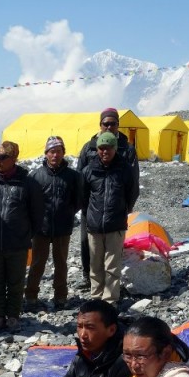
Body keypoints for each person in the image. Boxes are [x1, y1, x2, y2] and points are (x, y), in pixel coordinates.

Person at [0, 141, 45, 331]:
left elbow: (37, 214)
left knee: (16, 282)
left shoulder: (28, 184)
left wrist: (25, 234)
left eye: (2, 157)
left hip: (18, 244)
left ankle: (14, 316)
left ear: (13, 158)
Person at [77, 108, 140, 291]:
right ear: (100, 125)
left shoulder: (127, 149)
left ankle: (110, 289)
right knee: (86, 244)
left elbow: (133, 184)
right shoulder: (89, 147)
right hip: (92, 207)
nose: (109, 126)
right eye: (106, 123)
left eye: (113, 123)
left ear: (118, 125)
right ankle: (88, 277)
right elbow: (81, 178)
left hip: (115, 207)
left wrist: (126, 208)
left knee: (112, 250)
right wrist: (85, 206)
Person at [28, 136, 79, 310]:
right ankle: (31, 297)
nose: (55, 155)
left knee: (61, 264)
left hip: (63, 228)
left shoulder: (73, 176)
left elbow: (78, 200)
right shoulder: (36, 176)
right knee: (37, 263)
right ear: (46, 154)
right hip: (41, 229)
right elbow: (30, 202)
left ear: (64, 153)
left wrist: (68, 213)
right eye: (52, 151)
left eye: (58, 151)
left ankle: (61, 297)